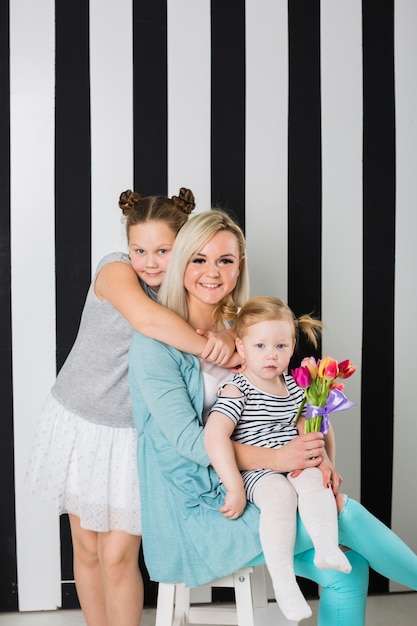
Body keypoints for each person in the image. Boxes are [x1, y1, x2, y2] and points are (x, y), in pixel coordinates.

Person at [129, 208, 417, 626]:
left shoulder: (247, 329)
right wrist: (281, 459)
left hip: (266, 487)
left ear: (239, 265)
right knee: (344, 514)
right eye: (198, 259)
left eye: (224, 260)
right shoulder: (154, 344)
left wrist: (318, 457)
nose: (212, 272)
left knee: (348, 573)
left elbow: (288, 402)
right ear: (181, 262)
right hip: (200, 503)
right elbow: (191, 445)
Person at [26, 189, 237, 626]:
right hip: (80, 422)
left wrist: (228, 339)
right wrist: (213, 349)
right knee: (85, 547)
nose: (151, 262)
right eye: (140, 249)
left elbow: (234, 325)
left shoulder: (193, 288)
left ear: (184, 247)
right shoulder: (115, 271)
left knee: (119, 554)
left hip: (131, 434)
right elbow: (147, 321)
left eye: (164, 250)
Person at [205, 296, 352, 621]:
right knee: (279, 496)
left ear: (292, 345)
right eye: (259, 346)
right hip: (259, 469)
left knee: (314, 480)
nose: (271, 355)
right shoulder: (237, 388)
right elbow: (215, 436)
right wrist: (234, 487)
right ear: (241, 348)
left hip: (293, 458)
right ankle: (284, 582)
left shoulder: (294, 385)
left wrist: (325, 460)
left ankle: (326, 547)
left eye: (280, 346)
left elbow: (310, 423)